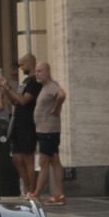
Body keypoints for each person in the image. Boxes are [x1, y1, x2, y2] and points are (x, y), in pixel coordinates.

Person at [0, 54, 41, 197]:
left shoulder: (35, 82)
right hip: (17, 121)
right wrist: (6, 88)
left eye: (22, 65)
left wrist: (8, 88)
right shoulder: (25, 81)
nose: (20, 68)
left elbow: (23, 101)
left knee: (28, 157)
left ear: (30, 63)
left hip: (28, 123)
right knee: (17, 158)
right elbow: (15, 101)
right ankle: (27, 188)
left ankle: (32, 191)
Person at [30, 62, 66, 204]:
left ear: (47, 72)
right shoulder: (44, 87)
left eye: (40, 71)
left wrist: (57, 108)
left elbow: (61, 95)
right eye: (36, 71)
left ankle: (37, 194)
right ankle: (59, 194)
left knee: (43, 161)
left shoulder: (52, 85)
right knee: (54, 160)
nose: (37, 74)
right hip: (44, 130)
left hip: (49, 130)